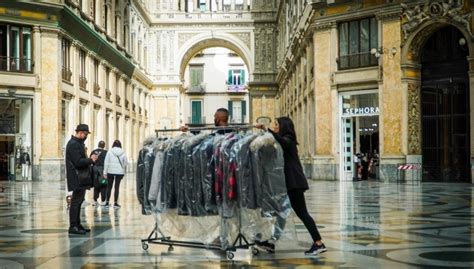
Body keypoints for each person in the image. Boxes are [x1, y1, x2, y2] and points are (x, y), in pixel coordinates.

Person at [256, 117, 327, 255]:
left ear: (283, 126)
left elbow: (281, 141)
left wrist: (266, 129)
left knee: (302, 213)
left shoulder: (288, 139)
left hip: (294, 183)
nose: (275, 127)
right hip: (289, 184)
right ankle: (271, 243)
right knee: (281, 213)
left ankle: (319, 243)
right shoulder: (284, 141)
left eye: (276, 125)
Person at [65, 124, 98, 235]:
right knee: (75, 202)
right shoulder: (73, 144)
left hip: (81, 177)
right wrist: (91, 160)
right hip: (76, 177)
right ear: (80, 132)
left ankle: (78, 224)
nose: (86, 136)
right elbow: (78, 162)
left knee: (79, 201)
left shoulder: (78, 143)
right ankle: (73, 226)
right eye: (85, 134)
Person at [103, 140, 127, 208]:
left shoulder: (110, 152)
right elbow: (125, 162)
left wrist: (105, 172)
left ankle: (107, 202)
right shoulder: (123, 152)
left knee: (109, 187)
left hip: (110, 171)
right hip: (119, 172)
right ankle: (115, 203)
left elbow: (106, 162)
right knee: (117, 187)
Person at [90, 141, 107, 206]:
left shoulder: (93, 151)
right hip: (103, 171)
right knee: (103, 185)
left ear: (98, 145)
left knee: (96, 185)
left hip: (95, 171)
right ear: (104, 146)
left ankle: (95, 200)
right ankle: (103, 200)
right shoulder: (106, 152)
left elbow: (90, 160)